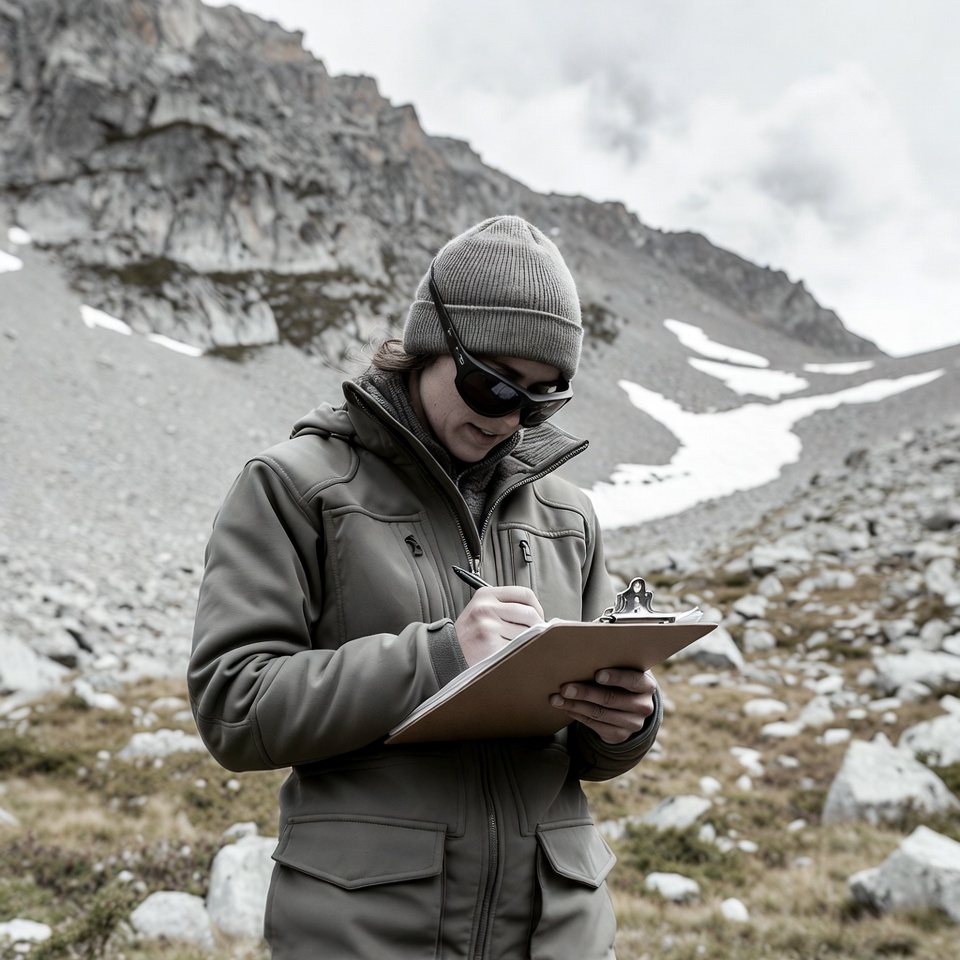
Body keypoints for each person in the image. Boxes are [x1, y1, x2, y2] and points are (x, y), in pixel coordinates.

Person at [188, 215, 662, 959]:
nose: (509, 418)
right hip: (368, 933)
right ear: (426, 344)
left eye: (541, 399)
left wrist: (627, 724)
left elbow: (587, 754)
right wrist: (439, 657)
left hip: (557, 932)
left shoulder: (571, 517)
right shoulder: (294, 486)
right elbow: (235, 705)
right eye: (490, 383)